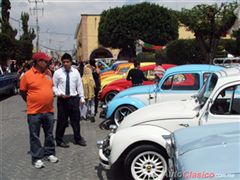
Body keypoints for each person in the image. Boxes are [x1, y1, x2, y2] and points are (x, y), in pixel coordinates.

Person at [19, 52, 58, 169]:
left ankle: (49, 153)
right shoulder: (27, 75)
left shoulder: (49, 73)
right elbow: (22, 92)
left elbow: (49, 88)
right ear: (37, 62)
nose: (47, 63)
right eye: (45, 61)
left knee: (49, 134)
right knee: (35, 136)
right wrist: (32, 101)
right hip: (34, 112)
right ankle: (36, 158)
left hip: (49, 110)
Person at [53, 53, 86, 148]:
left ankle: (78, 138)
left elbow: (79, 85)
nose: (66, 63)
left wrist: (82, 97)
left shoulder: (76, 72)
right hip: (62, 100)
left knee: (75, 120)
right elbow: (53, 86)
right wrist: (59, 93)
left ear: (71, 62)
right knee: (62, 121)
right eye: (64, 62)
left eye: (67, 62)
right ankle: (59, 140)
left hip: (73, 99)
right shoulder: (57, 73)